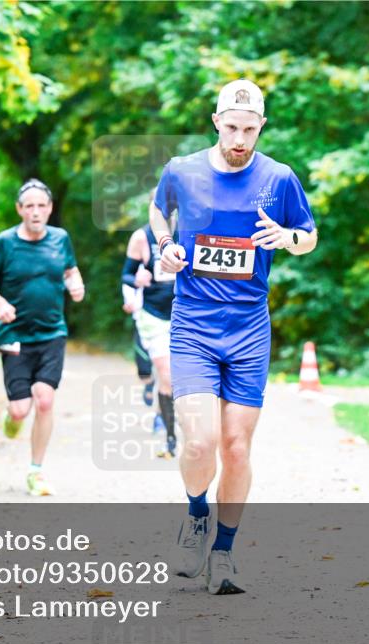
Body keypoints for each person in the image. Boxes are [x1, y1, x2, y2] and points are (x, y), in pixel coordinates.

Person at [149, 79, 318, 594]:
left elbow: (308, 235)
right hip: (195, 324)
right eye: (232, 127)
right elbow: (160, 211)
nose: (241, 138)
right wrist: (165, 245)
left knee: (237, 448)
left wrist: (288, 239)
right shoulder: (182, 170)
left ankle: (223, 553)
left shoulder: (279, 178)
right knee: (199, 442)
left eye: (250, 128)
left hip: (249, 328)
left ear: (261, 126)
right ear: (216, 122)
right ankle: (197, 514)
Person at [0, 178, 85, 496]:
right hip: (14, 335)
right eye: (29, 206)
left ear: (50, 209)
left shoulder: (60, 239)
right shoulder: (5, 243)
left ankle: (36, 471)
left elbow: (70, 271)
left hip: (52, 332)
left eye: (42, 206)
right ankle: (13, 418)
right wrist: (1, 304)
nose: (36, 212)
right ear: (20, 210)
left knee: (46, 400)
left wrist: (76, 285)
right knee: (20, 409)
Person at [121, 189, 178, 456]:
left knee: (175, 378)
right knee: (166, 375)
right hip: (153, 314)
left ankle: (161, 407)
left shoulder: (190, 233)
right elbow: (126, 275)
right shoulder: (141, 237)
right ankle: (170, 438)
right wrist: (137, 281)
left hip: (185, 313)